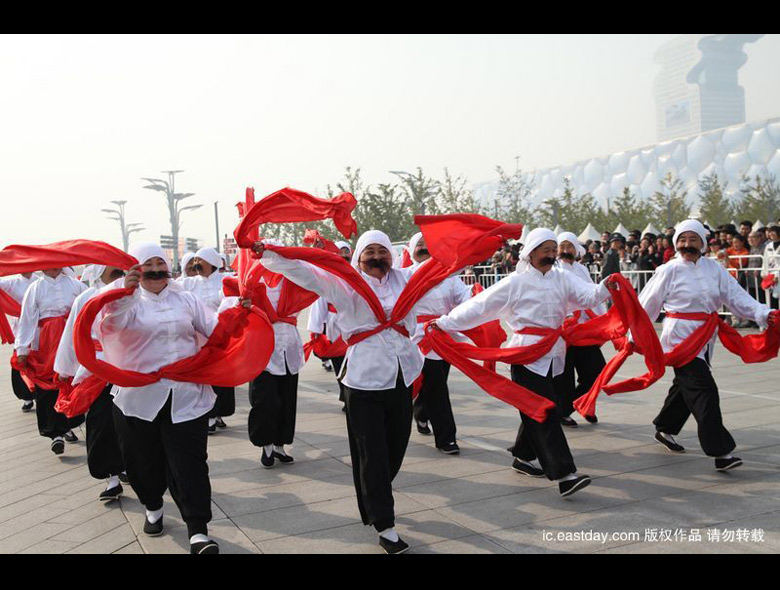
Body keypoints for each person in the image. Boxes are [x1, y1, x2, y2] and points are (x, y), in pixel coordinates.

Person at [255, 230, 424, 554]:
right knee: (372, 454)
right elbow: (306, 271)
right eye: (369, 251)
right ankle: (384, 524)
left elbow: (439, 267)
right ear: (359, 258)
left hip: (402, 375)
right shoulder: (345, 284)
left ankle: (376, 491)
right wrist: (269, 253)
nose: (377, 257)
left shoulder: (406, 280)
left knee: (394, 450)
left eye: (383, 251)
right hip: (362, 381)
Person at [431, 228, 614, 497]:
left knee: (540, 408)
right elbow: (480, 306)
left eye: (554, 249)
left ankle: (523, 456)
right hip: (525, 356)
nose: (552, 255)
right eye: (546, 250)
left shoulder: (563, 278)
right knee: (545, 410)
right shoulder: (515, 282)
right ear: (530, 252)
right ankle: (565, 474)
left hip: (554, 353)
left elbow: (587, 296)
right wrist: (446, 323)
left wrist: (604, 287)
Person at [98, 242, 226, 554]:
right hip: (138, 398)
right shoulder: (122, 300)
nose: (156, 270)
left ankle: (198, 529)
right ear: (137, 269)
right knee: (143, 462)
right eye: (148, 264)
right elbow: (110, 328)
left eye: (160, 263)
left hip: (186, 396)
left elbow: (215, 328)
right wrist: (124, 297)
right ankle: (153, 506)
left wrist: (241, 315)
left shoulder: (186, 297)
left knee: (191, 463)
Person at [638, 220, 776, 471]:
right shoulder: (668, 270)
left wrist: (763, 313)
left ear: (702, 242)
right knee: (704, 391)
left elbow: (735, 297)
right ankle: (720, 451)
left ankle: (665, 427)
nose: (687, 245)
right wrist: (631, 336)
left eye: (692, 240)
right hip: (680, 339)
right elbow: (647, 303)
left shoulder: (715, 269)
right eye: (682, 240)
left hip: (705, 335)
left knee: (686, 386)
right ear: (675, 243)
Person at [54, 265, 127, 501]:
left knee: (131, 424)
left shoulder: (132, 293)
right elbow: (72, 335)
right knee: (101, 423)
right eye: (112, 269)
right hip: (97, 370)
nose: (118, 273)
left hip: (130, 368)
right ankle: (112, 477)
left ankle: (132, 467)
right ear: (98, 272)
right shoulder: (85, 298)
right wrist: (64, 369)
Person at [406, 232, 471, 454]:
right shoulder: (405, 276)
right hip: (418, 338)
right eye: (419, 245)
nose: (424, 249)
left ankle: (421, 413)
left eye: (428, 245)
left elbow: (464, 299)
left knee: (437, 379)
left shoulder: (448, 276)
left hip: (444, 334)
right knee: (437, 386)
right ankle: (446, 438)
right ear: (412, 250)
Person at [245, 240, 307, 469]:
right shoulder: (253, 278)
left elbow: (315, 284)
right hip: (263, 347)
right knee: (265, 400)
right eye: (269, 253)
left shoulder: (293, 277)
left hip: (288, 344)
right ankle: (266, 444)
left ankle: (280, 444)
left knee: (287, 399)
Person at [14, 267, 87, 455]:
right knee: (48, 384)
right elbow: (27, 318)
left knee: (72, 380)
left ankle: (68, 423)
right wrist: (22, 348)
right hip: (46, 341)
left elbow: (90, 304)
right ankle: (55, 433)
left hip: (71, 336)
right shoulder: (35, 288)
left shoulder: (75, 284)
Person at [554, 232, 607, 426]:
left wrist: (603, 320)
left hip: (584, 330)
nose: (566, 250)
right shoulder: (553, 269)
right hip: (564, 331)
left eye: (570, 246)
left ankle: (579, 404)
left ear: (577, 250)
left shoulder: (581, 270)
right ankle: (564, 411)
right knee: (565, 377)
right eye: (562, 246)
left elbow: (591, 292)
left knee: (597, 372)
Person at [181, 247, 235, 434]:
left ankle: (217, 413)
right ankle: (209, 415)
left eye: (200, 260)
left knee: (221, 377)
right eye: (194, 260)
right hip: (198, 339)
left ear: (211, 262)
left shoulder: (225, 280)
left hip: (221, 336)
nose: (196, 264)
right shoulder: (188, 283)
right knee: (206, 378)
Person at [305, 241, 352, 412]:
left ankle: (350, 395)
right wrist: (316, 331)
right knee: (340, 364)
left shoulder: (359, 273)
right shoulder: (326, 276)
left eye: (346, 252)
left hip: (357, 326)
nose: (344, 256)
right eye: (340, 252)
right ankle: (346, 396)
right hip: (335, 328)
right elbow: (319, 304)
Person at [0, 272, 36, 411]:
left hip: (38, 325)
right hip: (21, 325)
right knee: (20, 360)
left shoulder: (39, 282)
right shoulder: (12, 282)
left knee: (39, 361)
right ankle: (27, 397)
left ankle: (39, 392)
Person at [761, 225, 780, 310]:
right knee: (772, 300)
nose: (771, 233)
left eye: (773, 231)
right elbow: (765, 260)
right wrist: (764, 273)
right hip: (770, 275)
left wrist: (777, 275)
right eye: (770, 232)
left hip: (778, 274)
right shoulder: (768, 246)